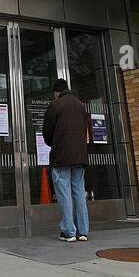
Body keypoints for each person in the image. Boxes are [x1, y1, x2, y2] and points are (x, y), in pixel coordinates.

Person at [41, 78, 91, 242]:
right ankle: (83, 231)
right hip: (80, 156)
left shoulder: (55, 105)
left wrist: (54, 143)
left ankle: (69, 231)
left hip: (61, 157)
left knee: (64, 194)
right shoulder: (80, 105)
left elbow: (47, 133)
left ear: (56, 92)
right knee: (79, 192)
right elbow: (86, 129)